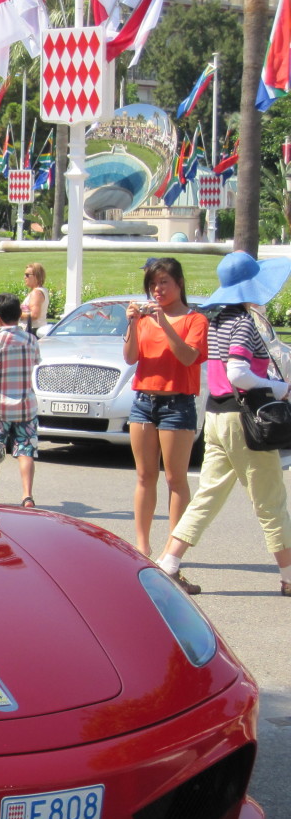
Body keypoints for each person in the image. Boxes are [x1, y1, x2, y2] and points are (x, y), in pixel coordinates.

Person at [156, 251, 291, 597]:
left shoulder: (218, 319)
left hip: (215, 416)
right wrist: (280, 388)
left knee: (208, 494)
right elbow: (238, 373)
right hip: (243, 418)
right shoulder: (244, 322)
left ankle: (169, 562)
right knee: (270, 500)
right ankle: (289, 576)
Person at [123, 257, 208, 556]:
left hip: (178, 403)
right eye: (152, 284)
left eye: (163, 283)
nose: (157, 290)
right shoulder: (144, 319)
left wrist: (165, 325)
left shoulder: (195, 320)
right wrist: (132, 323)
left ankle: (172, 551)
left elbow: (188, 357)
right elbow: (131, 358)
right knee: (145, 476)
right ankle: (142, 546)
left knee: (175, 479)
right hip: (144, 402)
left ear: (179, 283)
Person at [0, 294, 42, 506]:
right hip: (25, 406)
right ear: (19, 314)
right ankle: (27, 495)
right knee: (26, 450)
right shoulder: (31, 340)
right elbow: (36, 360)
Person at [20, 261, 50, 334]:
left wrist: (16, 314)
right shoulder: (39, 291)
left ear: (36, 276)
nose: (24, 277)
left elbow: (34, 315)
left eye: (27, 275)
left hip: (33, 330)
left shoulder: (36, 293)